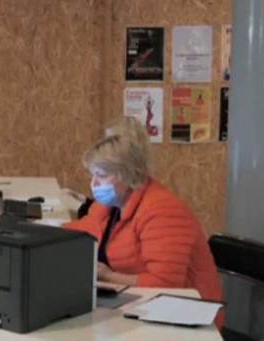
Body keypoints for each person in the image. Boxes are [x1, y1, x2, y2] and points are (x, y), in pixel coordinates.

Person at [63, 117, 223, 322]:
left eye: (101, 175)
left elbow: (165, 284)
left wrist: (108, 276)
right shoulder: (112, 204)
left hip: (189, 317)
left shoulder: (163, 211)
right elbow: (87, 228)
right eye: (93, 175)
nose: (94, 184)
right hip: (142, 305)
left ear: (126, 173)